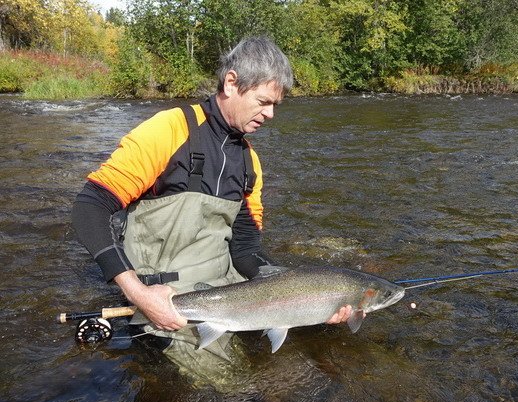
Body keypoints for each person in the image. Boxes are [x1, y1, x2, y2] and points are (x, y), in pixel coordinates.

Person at [72, 36, 352, 377]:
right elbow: (90, 205)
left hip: (224, 285)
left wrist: (306, 296)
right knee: (236, 393)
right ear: (231, 83)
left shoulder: (250, 163)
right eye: (264, 101)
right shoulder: (168, 130)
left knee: (293, 372)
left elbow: (246, 249)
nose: (271, 114)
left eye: (276, 104)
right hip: (164, 294)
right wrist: (137, 292)